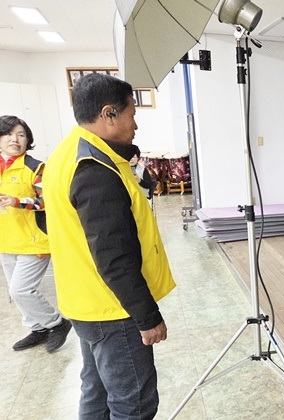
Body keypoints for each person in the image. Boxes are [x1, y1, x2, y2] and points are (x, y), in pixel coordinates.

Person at [43, 73, 176, 419]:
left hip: (84, 301)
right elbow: (114, 256)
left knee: (97, 391)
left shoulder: (68, 153)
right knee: (133, 404)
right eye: (132, 113)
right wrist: (147, 317)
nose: (136, 124)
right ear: (109, 114)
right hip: (113, 309)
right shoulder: (95, 170)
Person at [0, 115, 72, 353]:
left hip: (34, 240)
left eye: (21, 135)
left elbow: (46, 201)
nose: (15, 139)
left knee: (20, 290)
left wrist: (17, 201)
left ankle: (57, 323)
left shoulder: (35, 167)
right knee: (17, 293)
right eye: (8, 134)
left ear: (28, 140)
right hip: (6, 240)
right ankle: (37, 328)